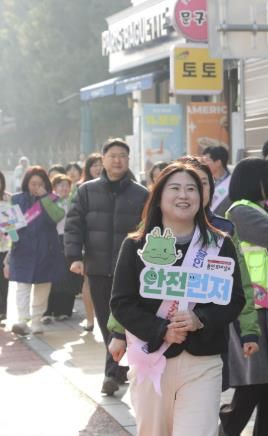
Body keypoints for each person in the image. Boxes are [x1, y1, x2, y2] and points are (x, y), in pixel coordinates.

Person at [110, 161, 246, 436]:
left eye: (191, 189)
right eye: (175, 188)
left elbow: (235, 299)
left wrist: (200, 319)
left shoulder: (220, 244)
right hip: (151, 358)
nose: (184, 195)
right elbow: (121, 303)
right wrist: (161, 330)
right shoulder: (136, 245)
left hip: (203, 361)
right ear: (159, 196)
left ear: (202, 197)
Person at [65, 139, 149, 395]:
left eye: (123, 155)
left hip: (131, 270)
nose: (118, 160)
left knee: (123, 320)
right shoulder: (86, 191)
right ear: (102, 159)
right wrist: (75, 256)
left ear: (128, 159)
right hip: (98, 268)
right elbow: (73, 225)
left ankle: (111, 373)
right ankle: (118, 368)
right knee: (105, 321)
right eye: (113, 155)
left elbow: (149, 230)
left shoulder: (141, 194)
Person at [220, 158, 268, 436]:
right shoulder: (240, 212)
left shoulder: (266, 208)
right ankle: (225, 428)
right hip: (250, 309)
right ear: (255, 181)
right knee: (255, 381)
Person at [7, 166, 65, 336]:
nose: (36, 187)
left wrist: (45, 198)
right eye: (33, 184)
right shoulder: (16, 199)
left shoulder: (53, 199)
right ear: (26, 183)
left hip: (46, 249)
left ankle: (36, 320)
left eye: (40, 184)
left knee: (43, 286)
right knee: (22, 286)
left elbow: (57, 216)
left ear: (46, 185)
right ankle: (22, 320)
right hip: (22, 249)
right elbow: (9, 226)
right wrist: (13, 238)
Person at [43, 174, 82, 322]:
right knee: (52, 276)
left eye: (67, 185)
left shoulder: (74, 201)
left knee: (68, 276)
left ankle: (64, 310)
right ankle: (47, 311)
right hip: (53, 241)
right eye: (61, 185)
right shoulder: (49, 201)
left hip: (69, 240)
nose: (64, 188)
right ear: (54, 187)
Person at [78, 152, 103, 332]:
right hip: (89, 243)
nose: (98, 168)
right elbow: (75, 219)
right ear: (88, 168)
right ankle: (89, 319)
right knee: (88, 281)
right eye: (94, 165)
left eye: (100, 164)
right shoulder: (82, 188)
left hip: (112, 242)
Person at [201, 145, 232, 217]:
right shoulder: (202, 181)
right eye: (202, 161)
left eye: (206, 160)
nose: (203, 165)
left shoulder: (232, 183)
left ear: (218, 162)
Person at [0, 171, 11, 321]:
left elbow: (14, 222)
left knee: (4, 279)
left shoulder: (8, 199)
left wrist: (6, 231)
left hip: (5, 246)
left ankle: (3, 311)